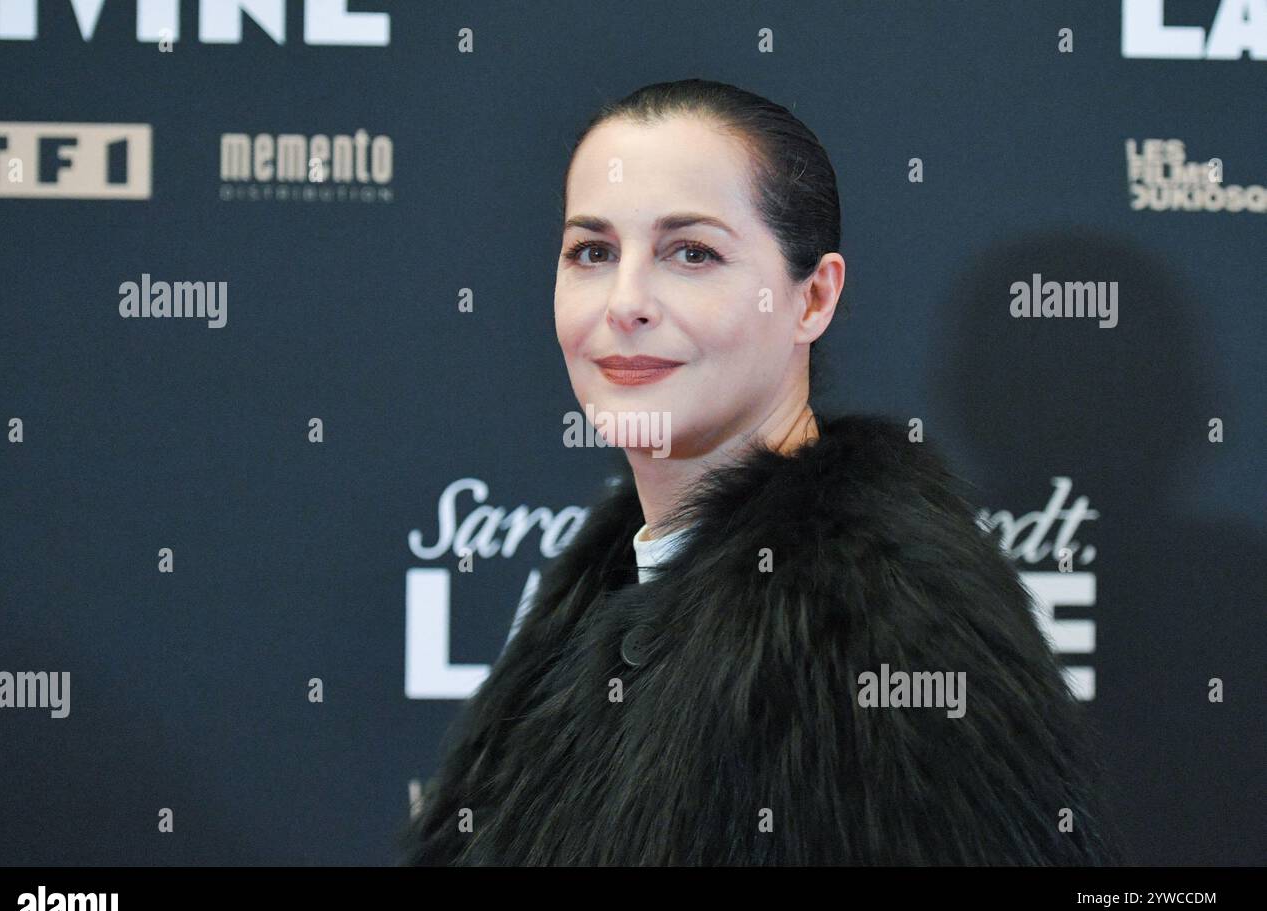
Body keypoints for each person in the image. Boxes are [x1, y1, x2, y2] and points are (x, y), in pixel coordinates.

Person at [397, 78, 1117, 865]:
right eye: (592, 252)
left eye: (692, 253)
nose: (625, 301)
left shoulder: (878, 622)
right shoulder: (611, 593)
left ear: (813, 299)